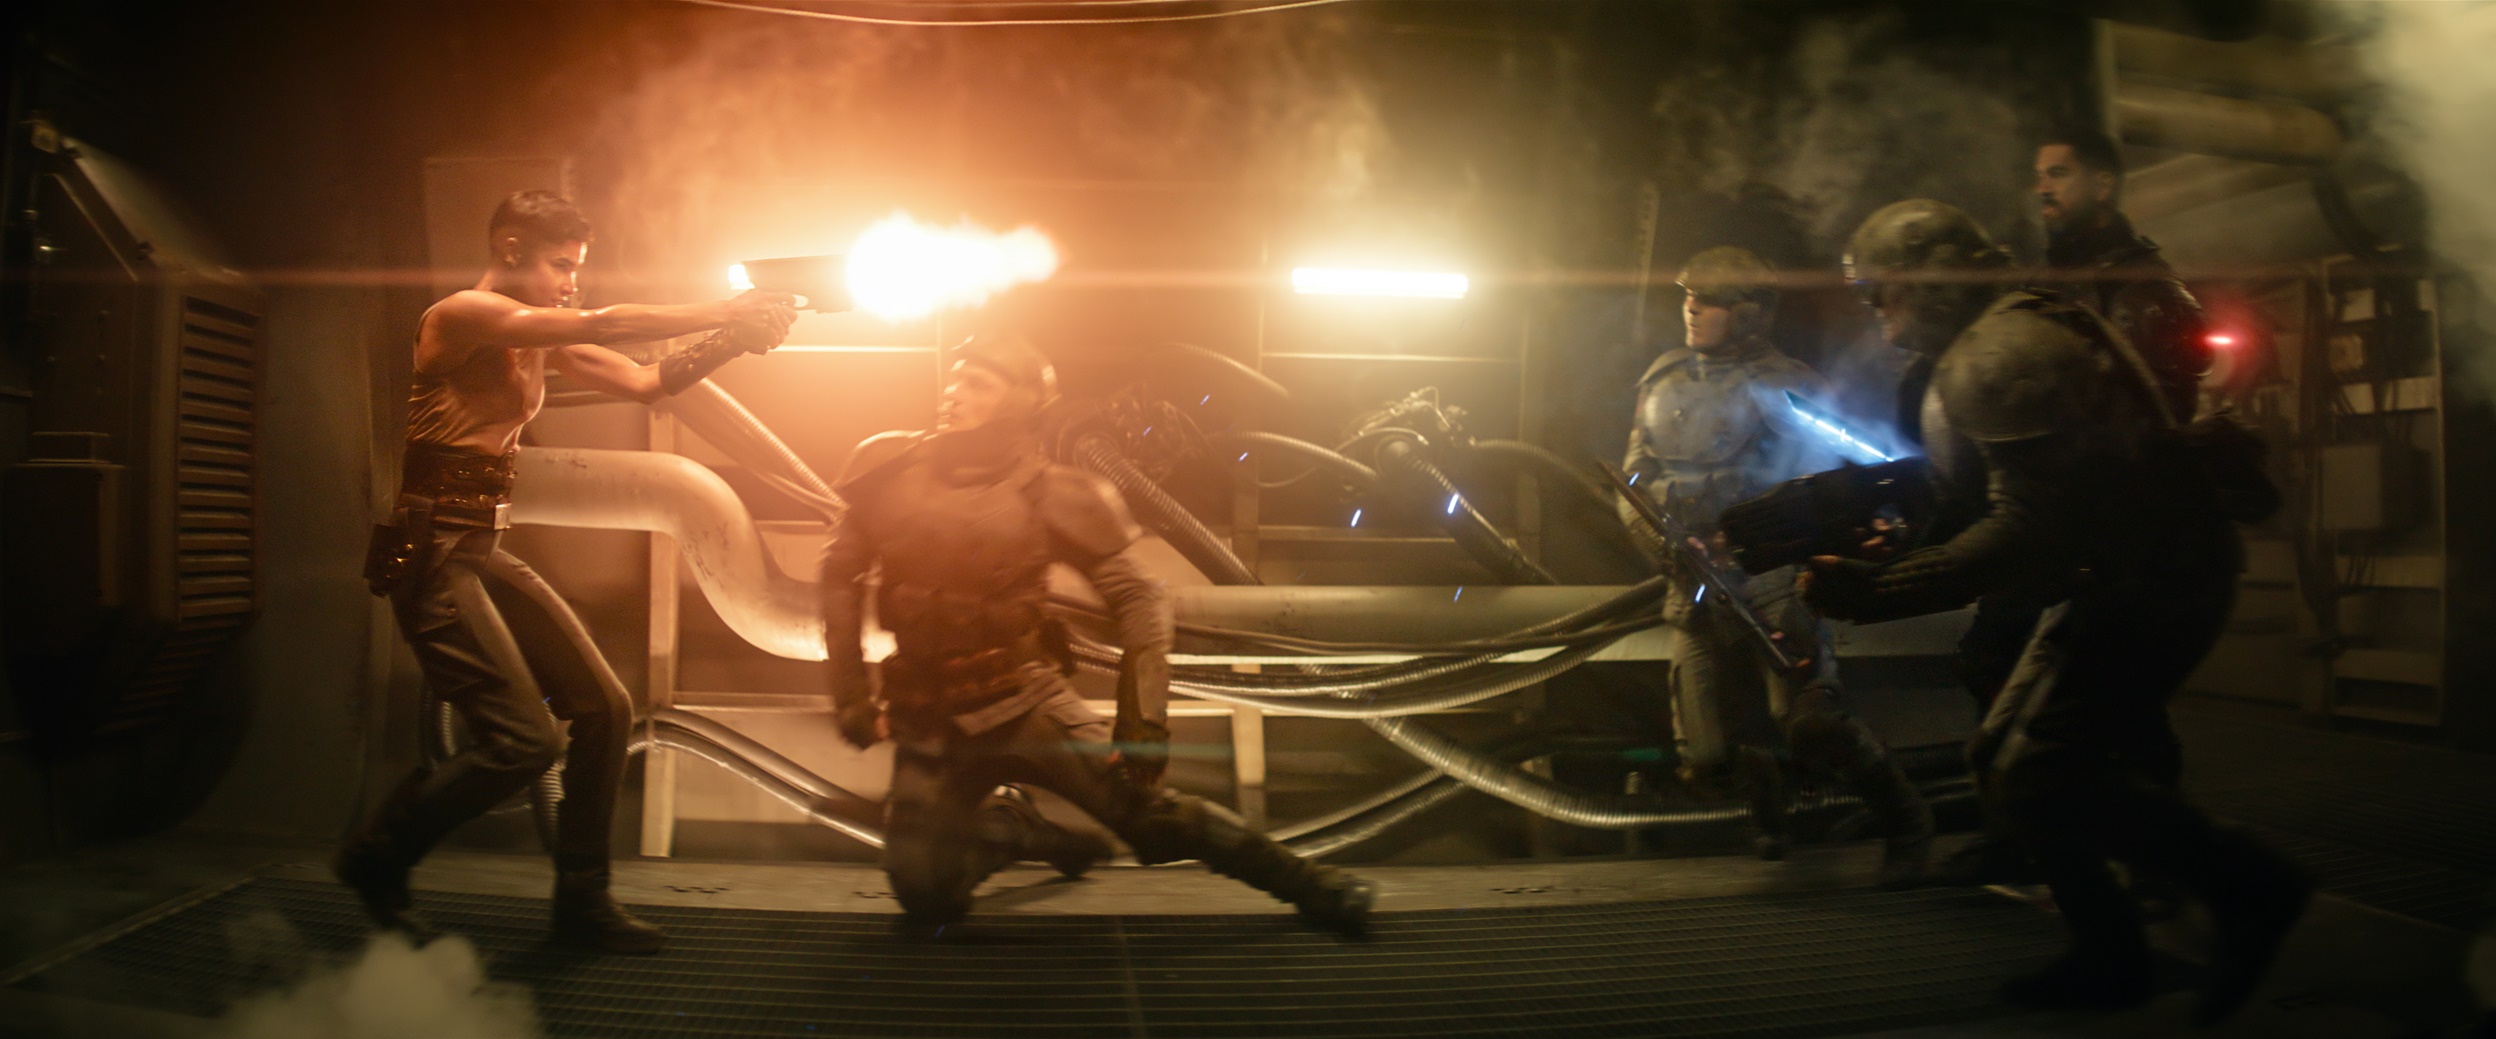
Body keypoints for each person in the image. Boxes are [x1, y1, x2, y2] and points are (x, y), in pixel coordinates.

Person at [1800, 199, 2307, 1024]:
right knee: (2005, 759)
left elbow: (2026, 529)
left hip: (2159, 576)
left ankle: (2249, 886)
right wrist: (1888, 535)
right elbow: (1993, 496)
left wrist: (1885, 589)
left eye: (1885, 292)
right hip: (2124, 571)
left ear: (1929, 282)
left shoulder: (2005, 349)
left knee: (2041, 767)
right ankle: (2114, 953)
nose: (1880, 314)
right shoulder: (1996, 337)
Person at [338, 189, 797, 953]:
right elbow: (603, 323)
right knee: (523, 741)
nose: (570, 281)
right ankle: (376, 857)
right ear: (510, 249)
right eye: (560, 264)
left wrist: (733, 339)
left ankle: (582, 903)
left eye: (575, 267)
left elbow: (647, 382)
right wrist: (726, 310)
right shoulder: (461, 315)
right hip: (434, 554)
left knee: (605, 709)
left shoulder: (535, 339)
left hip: (479, 548)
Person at [820, 333, 1375, 932]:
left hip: (1024, 703)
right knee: (923, 893)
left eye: (977, 384)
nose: (952, 392)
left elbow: (1140, 597)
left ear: (1020, 401)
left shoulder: (1056, 493)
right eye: (955, 378)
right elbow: (838, 577)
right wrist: (851, 695)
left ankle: (1313, 885)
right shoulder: (888, 469)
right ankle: (1016, 831)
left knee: (1150, 818)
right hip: (928, 716)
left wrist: (1143, 721)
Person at [1622, 246, 1932, 887]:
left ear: (1748, 312)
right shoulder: (1663, 378)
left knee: (1814, 724)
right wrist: (1656, 539)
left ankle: (1905, 819)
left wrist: (1860, 526)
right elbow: (1634, 478)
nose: (1692, 308)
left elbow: (1848, 467)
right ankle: (1769, 816)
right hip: (1693, 583)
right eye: (1689, 296)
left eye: (1710, 299)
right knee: (1707, 751)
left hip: (1771, 579)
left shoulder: (1789, 386)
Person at [2033, 128, 2209, 421]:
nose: (2042, 189)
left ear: (2102, 186)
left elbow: (2165, 418)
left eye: (2058, 174)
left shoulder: (2143, 284)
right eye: (2039, 176)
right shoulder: (2042, 280)